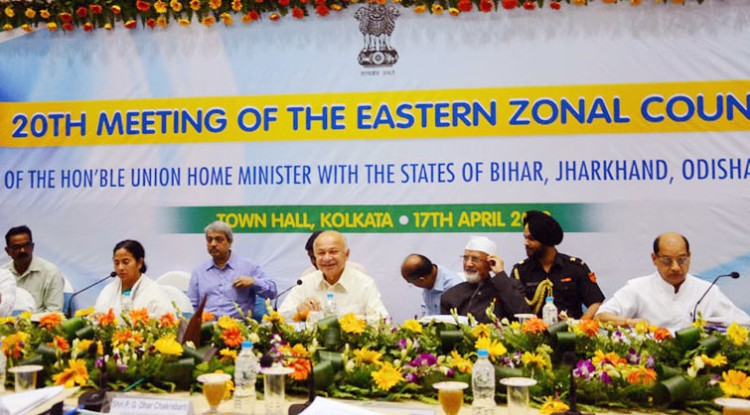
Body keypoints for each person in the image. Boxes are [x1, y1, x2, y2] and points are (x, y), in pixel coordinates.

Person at [596, 232, 750, 329]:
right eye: (667, 260)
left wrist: (713, 324)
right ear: (654, 259)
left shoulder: (706, 290)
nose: (675, 267)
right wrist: (630, 323)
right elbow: (601, 317)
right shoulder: (638, 288)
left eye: (682, 260)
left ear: (689, 256)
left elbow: (744, 322)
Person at [511, 211, 605, 319]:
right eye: (525, 237)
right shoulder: (520, 271)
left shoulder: (575, 267)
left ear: (545, 240)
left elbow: (596, 302)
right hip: (532, 333)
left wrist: (580, 327)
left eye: (531, 239)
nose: (526, 243)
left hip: (570, 334)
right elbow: (513, 308)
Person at [279, 230, 389, 319]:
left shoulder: (364, 283)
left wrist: (355, 322)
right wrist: (298, 311)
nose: (327, 258)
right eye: (321, 253)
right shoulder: (305, 283)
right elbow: (280, 318)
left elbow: (383, 321)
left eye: (333, 252)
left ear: (347, 254)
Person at [188, 221, 277, 319]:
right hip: (207, 329)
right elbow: (191, 306)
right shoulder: (199, 272)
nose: (213, 244)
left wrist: (253, 282)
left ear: (230, 242)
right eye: (209, 240)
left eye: (219, 240)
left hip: (239, 329)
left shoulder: (248, 267)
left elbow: (272, 292)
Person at [441, 236, 530, 324]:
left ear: (490, 263)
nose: (468, 264)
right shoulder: (451, 295)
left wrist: (500, 274)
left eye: (475, 259)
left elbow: (523, 315)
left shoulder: (508, 286)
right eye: (465, 258)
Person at [94, 240, 174, 317]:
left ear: (140, 263)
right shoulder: (108, 291)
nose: (120, 267)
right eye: (116, 263)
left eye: (126, 262)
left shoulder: (154, 292)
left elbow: (167, 323)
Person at [2, 225, 64, 312]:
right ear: (7, 251)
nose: (22, 250)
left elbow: (54, 311)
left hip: (38, 324)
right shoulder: (2, 274)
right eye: (16, 247)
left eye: (26, 245)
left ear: (32, 246)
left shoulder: (51, 272)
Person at [299, 230, 366, 277]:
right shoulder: (307, 276)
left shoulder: (358, 272)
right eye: (313, 258)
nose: (316, 262)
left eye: (332, 252)